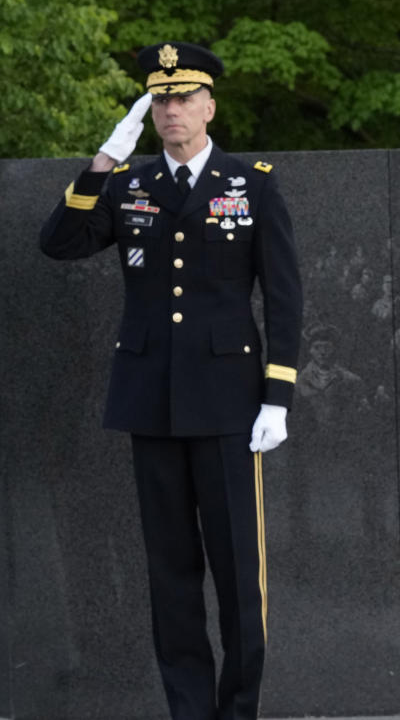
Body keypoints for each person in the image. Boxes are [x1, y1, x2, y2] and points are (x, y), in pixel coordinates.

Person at [40, 41, 303, 720]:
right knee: (171, 576)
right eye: (159, 100)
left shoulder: (252, 183)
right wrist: (103, 161)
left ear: (210, 105)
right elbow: (60, 243)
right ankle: (189, 709)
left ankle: (237, 709)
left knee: (241, 577)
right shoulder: (130, 185)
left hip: (227, 406)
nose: (171, 110)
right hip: (151, 403)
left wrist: (278, 396)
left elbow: (284, 298)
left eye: (184, 98)